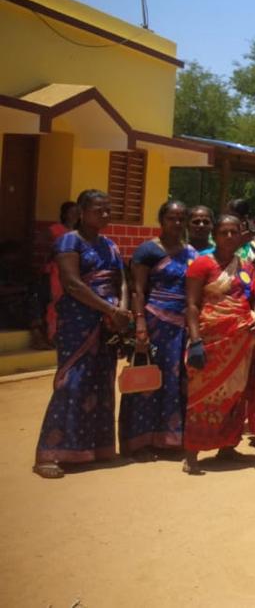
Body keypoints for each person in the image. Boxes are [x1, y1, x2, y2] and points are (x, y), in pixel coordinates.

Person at [33, 190, 132, 478]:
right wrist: (109, 309)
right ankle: (50, 454)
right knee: (72, 383)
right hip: (79, 323)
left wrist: (121, 310)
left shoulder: (110, 245)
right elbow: (72, 283)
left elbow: (121, 281)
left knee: (101, 382)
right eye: (99, 210)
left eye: (108, 210)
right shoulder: (69, 242)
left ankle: (94, 449)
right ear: (81, 211)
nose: (105, 215)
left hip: (108, 324)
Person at [181, 215, 255, 474]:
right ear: (214, 235)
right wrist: (195, 341)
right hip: (211, 339)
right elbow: (192, 304)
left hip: (240, 341)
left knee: (235, 395)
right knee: (202, 395)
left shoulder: (246, 266)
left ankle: (227, 446)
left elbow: (253, 299)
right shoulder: (202, 264)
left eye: (234, 232)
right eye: (223, 232)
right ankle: (192, 453)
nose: (229, 237)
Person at [120, 200, 196, 460]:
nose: (177, 223)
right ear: (162, 220)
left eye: (181, 218)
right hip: (155, 322)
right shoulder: (148, 251)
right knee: (147, 380)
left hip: (182, 326)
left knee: (176, 382)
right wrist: (140, 324)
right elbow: (137, 290)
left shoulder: (191, 253)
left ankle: (170, 440)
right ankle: (139, 442)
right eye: (172, 218)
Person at [44, 200, 80, 342]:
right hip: (57, 271)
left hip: (75, 272)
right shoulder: (54, 230)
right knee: (56, 300)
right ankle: (52, 334)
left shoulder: (79, 233)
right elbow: (49, 251)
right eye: (72, 213)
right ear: (64, 214)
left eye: (77, 213)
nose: (75, 216)